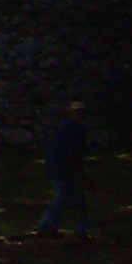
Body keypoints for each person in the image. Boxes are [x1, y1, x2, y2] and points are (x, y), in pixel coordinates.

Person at [38, 100, 91, 241]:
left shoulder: (75, 128)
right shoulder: (68, 128)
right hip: (60, 167)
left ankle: (80, 230)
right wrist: (77, 169)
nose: (80, 115)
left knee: (76, 199)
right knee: (63, 196)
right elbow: (67, 152)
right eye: (77, 112)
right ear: (72, 113)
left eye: (82, 112)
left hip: (64, 166)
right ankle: (48, 226)